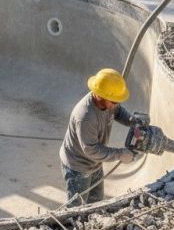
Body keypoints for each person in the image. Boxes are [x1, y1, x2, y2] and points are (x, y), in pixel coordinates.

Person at [59, 68, 139, 206]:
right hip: (78, 167)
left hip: (95, 163)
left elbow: (118, 111)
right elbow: (91, 150)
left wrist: (132, 120)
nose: (116, 104)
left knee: (95, 205)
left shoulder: (109, 102)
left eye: (117, 101)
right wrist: (120, 154)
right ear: (99, 96)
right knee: (77, 209)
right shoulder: (86, 116)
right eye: (114, 102)